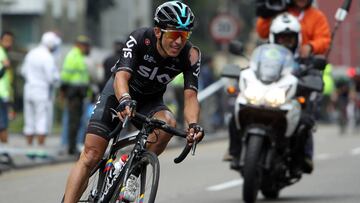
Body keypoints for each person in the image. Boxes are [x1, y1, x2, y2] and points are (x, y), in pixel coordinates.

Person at [63, 1, 204, 202]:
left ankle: (131, 173)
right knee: (91, 155)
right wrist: (125, 99)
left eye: (184, 35)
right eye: (173, 35)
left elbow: (190, 96)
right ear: (158, 31)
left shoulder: (190, 55)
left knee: (168, 124)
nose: (178, 42)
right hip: (118, 95)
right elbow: (121, 76)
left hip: (150, 101)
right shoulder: (140, 38)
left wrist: (193, 125)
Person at [21, 31, 62, 147]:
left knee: (29, 120)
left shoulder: (31, 53)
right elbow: (51, 77)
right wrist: (57, 78)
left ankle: (28, 148)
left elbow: (23, 71)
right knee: (41, 120)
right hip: (41, 90)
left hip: (28, 88)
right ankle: (40, 149)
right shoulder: (47, 57)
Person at [256, 0, 331, 58]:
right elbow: (262, 32)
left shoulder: (317, 16)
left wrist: (311, 47)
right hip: (278, 61)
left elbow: (324, 40)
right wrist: (268, 13)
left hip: (304, 63)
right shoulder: (280, 10)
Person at [60, 35, 91, 155]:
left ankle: (73, 146)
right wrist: (63, 90)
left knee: (77, 121)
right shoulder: (73, 56)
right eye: (84, 45)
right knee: (73, 121)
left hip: (79, 93)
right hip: (73, 93)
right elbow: (65, 76)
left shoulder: (79, 56)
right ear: (78, 45)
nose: (86, 48)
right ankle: (71, 147)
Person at [0, 31, 14, 146]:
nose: (9, 43)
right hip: (1, 95)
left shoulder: (3, 53)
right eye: (6, 40)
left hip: (4, 93)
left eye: (10, 41)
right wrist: (4, 67)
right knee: (3, 124)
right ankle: (4, 151)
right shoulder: (1, 53)